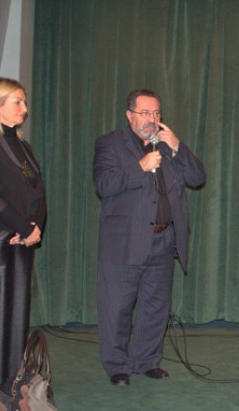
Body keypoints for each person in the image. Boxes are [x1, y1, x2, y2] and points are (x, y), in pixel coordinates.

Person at [93, 88, 206, 386]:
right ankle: (118, 366)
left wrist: (178, 146)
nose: (151, 119)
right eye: (145, 113)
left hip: (163, 239)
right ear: (130, 115)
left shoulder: (167, 145)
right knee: (117, 308)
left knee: (155, 307)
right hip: (124, 243)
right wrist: (139, 168)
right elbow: (103, 184)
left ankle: (146, 360)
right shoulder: (110, 144)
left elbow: (198, 178)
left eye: (156, 113)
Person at [0, 77, 46, 391]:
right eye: (17, 102)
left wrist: (35, 229)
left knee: (17, 309)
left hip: (22, 237)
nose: (25, 108)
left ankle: (10, 374)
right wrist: (23, 227)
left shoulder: (21, 145)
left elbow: (38, 190)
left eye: (24, 101)